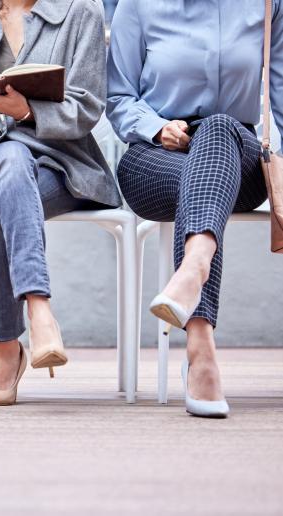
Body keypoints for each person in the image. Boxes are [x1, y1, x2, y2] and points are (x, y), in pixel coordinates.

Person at [107, 0, 282, 418]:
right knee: (203, 184)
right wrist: (155, 127)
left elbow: (280, 96)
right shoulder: (139, 6)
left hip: (239, 156)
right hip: (153, 159)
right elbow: (118, 97)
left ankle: (195, 309)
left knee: (220, 127)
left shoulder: (266, 6)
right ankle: (196, 292)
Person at [0, 0, 120, 406]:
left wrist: (23, 109)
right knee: (10, 158)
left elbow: (88, 107)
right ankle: (39, 311)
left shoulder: (81, 13)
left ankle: (7, 350)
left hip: (61, 165)